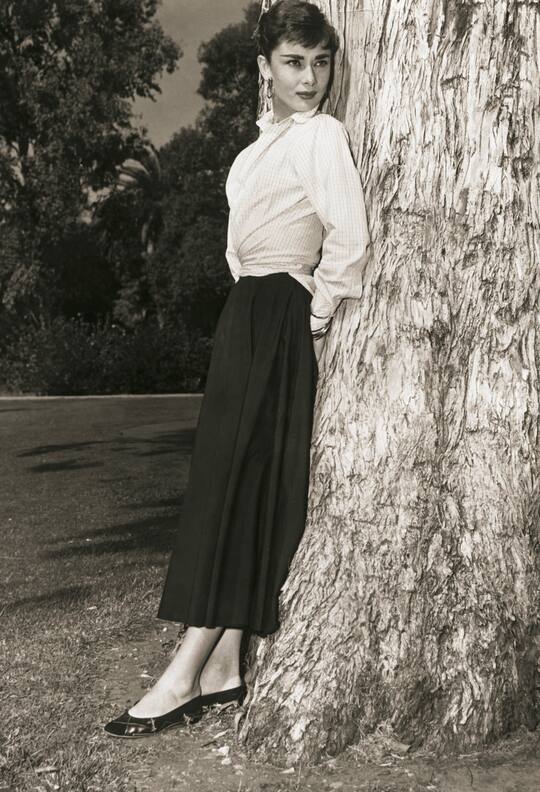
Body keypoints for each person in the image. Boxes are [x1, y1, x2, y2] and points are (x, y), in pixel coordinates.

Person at [104, 0, 371, 739]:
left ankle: (182, 674)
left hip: (281, 313)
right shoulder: (252, 154)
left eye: (321, 63)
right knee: (223, 481)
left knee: (246, 484)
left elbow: (348, 238)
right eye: (293, 63)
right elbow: (236, 246)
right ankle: (223, 667)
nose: (309, 78)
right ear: (265, 67)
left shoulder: (322, 136)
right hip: (245, 314)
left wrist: (312, 316)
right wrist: (253, 311)